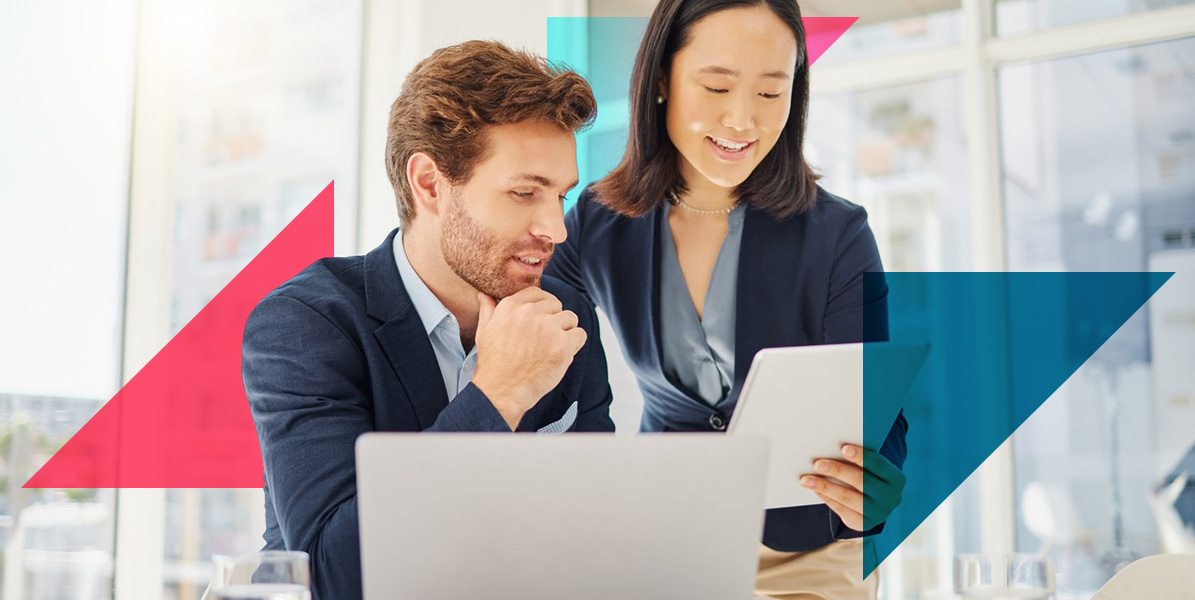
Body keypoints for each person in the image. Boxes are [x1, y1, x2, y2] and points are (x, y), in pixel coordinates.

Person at [545, 0, 906, 597]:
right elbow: (544, 379)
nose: (743, 121)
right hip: (663, 537)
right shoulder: (595, 225)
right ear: (661, 81)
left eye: (771, 94)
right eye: (717, 86)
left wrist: (873, 496)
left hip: (806, 550)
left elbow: (875, 407)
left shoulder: (838, 234)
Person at [241, 40, 612, 600]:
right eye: (523, 193)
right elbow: (336, 577)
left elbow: (599, 526)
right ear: (430, 184)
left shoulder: (566, 313)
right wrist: (499, 394)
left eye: (559, 196)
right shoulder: (307, 324)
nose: (555, 230)